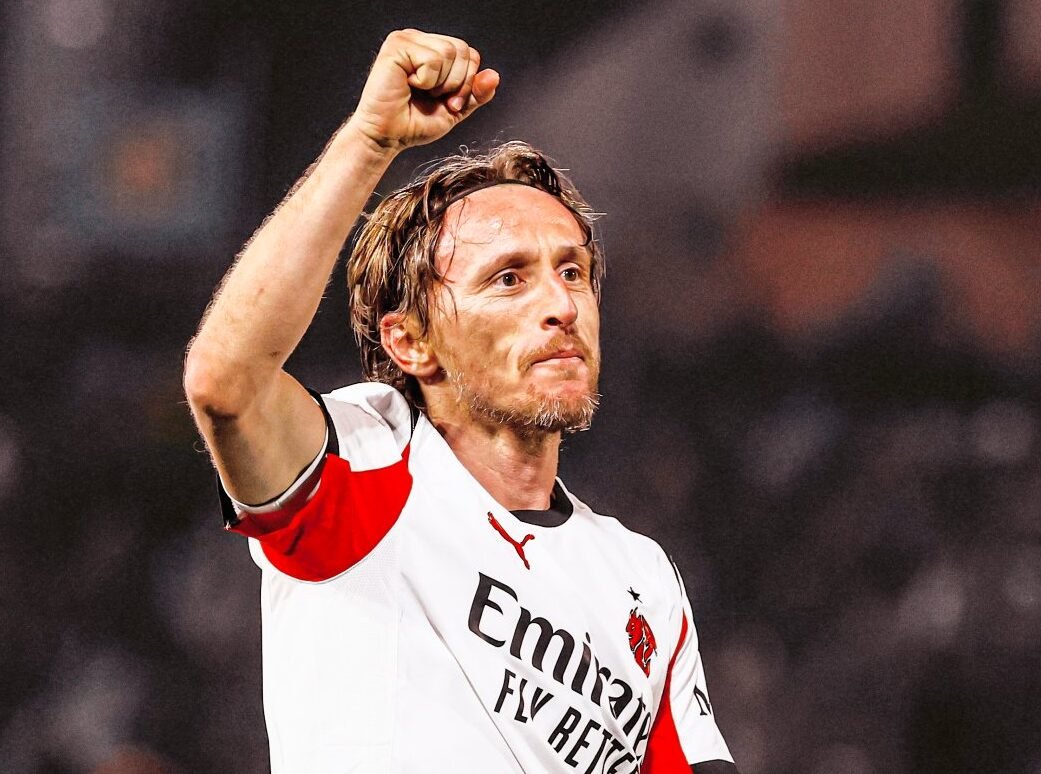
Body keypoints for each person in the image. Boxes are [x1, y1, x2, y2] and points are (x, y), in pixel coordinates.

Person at [184, 28, 738, 774]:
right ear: (411, 342)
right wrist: (369, 141)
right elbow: (226, 383)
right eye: (509, 278)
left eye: (573, 273)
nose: (562, 306)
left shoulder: (639, 573)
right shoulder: (370, 464)